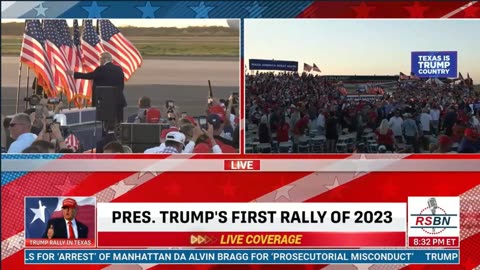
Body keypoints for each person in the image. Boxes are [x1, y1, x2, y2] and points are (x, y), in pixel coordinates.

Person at [69, 52, 126, 133]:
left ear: (105, 59)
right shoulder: (119, 69)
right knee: (118, 124)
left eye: (100, 59)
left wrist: (74, 74)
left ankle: (107, 138)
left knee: (106, 124)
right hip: (118, 100)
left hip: (105, 103)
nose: (100, 61)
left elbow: (89, 76)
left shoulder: (101, 69)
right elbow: (121, 85)